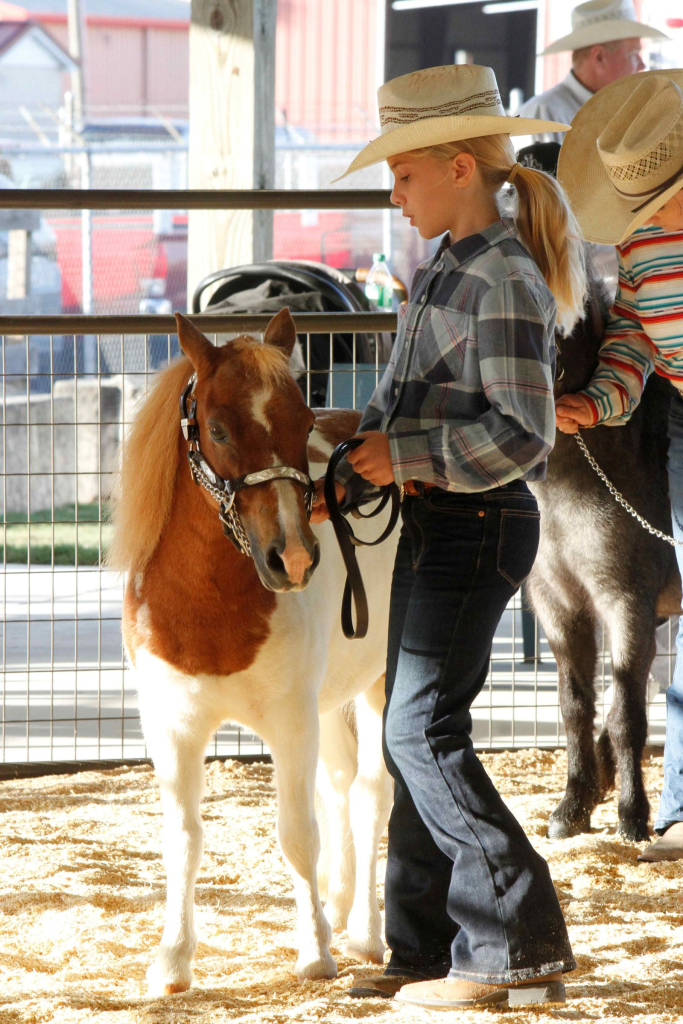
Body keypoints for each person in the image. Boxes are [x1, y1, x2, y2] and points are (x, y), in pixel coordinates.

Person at [311, 63, 586, 1010]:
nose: (392, 192)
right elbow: (398, 408)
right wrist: (339, 458)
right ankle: (424, 947)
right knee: (409, 736)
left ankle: (513, 941)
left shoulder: (500, 275)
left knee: (418, 730)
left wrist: (404, 454)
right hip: (443, 521)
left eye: (403, 174)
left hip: (478, 522)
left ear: (459, 166)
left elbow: (524, 434)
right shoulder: (445, 267)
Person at [555, 71, 683, 863]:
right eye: (632, 209)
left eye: (657, 200)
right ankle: (680, 804)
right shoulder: (643, 244)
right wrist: (596, 403)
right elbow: (634, 331)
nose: (642, 223)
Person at [516, 0, 667, 146]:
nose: (642, 64)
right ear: (599, 57)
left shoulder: (623, 110)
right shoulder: (544, 114)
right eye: (633, 55)